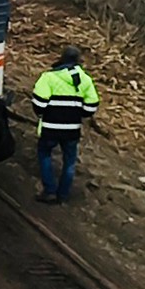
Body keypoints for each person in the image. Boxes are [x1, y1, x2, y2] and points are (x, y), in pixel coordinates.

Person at [30, 45, 100, 204]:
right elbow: (91, 106)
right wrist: (77, 114)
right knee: (69, 161)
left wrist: (43, 114)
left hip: (50, 127)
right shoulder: (85, 79)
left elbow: (39, 104)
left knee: (45, 154)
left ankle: (49, 191)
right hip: (72, 129)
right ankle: (63, 194)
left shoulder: (48, 77)